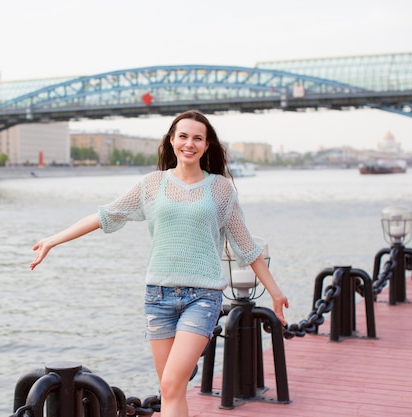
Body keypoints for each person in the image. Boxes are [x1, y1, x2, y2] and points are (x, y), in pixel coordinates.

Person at [30, 110, 289, 417]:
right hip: (158, 297)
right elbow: (105, 217)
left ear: (207, 146)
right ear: (171, 140)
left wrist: (275, 293)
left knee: (170, 384)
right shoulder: (152, 184)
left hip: (202, 297)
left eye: (197, 138)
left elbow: (246, 247)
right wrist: (53, 240)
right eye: (183, 136)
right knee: (172, 390)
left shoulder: (220, 189)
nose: (189, 143)